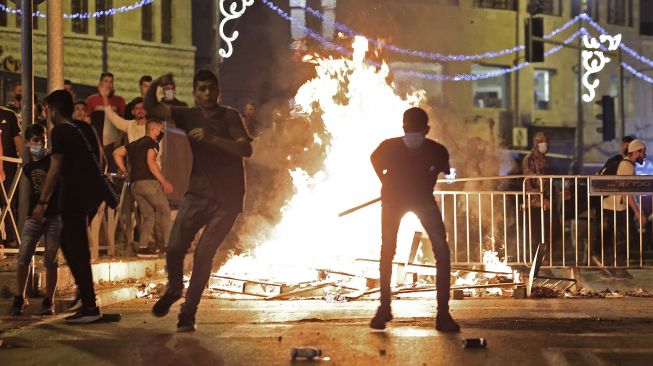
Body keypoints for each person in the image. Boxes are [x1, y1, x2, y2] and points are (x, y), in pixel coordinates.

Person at [145, 70, 252, 332]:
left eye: (210, 89)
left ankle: (188, 313)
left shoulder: (230, 116)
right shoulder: (188, 114)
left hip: (227, 200)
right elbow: (152, 107)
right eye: (201, 89)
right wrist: (156, 84)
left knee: (204, 254)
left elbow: (245, 148)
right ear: (194, 93)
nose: (206, 94)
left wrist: (213, 139)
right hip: (198, 193)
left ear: (219, 92)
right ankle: (174, 289)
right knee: (174, 248)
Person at [369, 107, 459, 332]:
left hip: (394, 200)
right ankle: (443, 315)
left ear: (403, 127)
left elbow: (375, 160)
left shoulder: (387, 147)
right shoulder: (436, 150)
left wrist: (386, 181)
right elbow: (445, 171)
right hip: (420, 201)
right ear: (427, 129)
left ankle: (384, 309)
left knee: (387, 251)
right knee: (441, 251)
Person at [33, 90, 105, 323]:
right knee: (72, 243)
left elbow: (54, 168)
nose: (46, 114)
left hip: (74, 196)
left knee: (75, 246)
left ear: (53, 110)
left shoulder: (60, 131)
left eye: (46, 110)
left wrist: (42, 202)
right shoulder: (83, 128)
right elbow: (100, 159)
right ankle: (86, 298)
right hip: (91, 196)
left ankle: (90, 306)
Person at [10, 124, 61, 316]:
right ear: (29, 143)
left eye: (43, 140)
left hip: (54, 215)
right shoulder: (29, 165)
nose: (41, 144)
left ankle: (49, 301)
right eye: (36, 141)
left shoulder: (53, 160)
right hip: (34, 216)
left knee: (51, 259)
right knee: (24, 255)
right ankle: (20, 297)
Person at [114, 119, 172, 254]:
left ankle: (143, 247)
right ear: (153, 130)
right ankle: (169, 245)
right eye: (160, 129)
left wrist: (124, 171)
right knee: (165, 211)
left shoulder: (134, 144)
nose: (161, 132)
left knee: (148, 216)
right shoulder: (152, 143)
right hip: (149, 183)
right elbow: (151, 162)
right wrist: (164, 181)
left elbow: (116, 153)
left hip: (135, 185)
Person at [598, 139, 648, 280]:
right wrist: (638, 213)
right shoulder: (627, 167)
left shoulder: (626, 164)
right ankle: (612, 266)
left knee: (623, 237)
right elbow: (627, 193)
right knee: (627, 237)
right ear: (636, 152)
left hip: (613, 206)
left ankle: (612, 267)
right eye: (643, 152)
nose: (645, 155)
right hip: (616, 208)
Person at [522, 132, 564, 265]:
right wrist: (540, 199)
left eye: (546, 142)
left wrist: (559, 192)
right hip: (535, 204)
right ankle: (537, 262)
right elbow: (529, 182)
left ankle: (545, 259)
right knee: (537, 234)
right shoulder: (529, 159)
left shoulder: (545, 159)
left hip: (548, 202)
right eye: (541, 142)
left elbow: (548, 180)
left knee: (553, 231)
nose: (544, 144)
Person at [85, 72, 126, 171]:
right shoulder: (91, 100)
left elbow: (123, 122)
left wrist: (119, 138)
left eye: (111, 82)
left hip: (113, 143)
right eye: (106, 81)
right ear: (100, 83)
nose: (109, 84)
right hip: (96, 142)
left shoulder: (119, 100)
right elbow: (88, 122)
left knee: (112, 170)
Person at [0, 105, 25, 247]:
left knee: (7, 203)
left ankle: (9, 239)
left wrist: (25, 163)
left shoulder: (8, 115)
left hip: (8, 170)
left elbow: (18, 141)